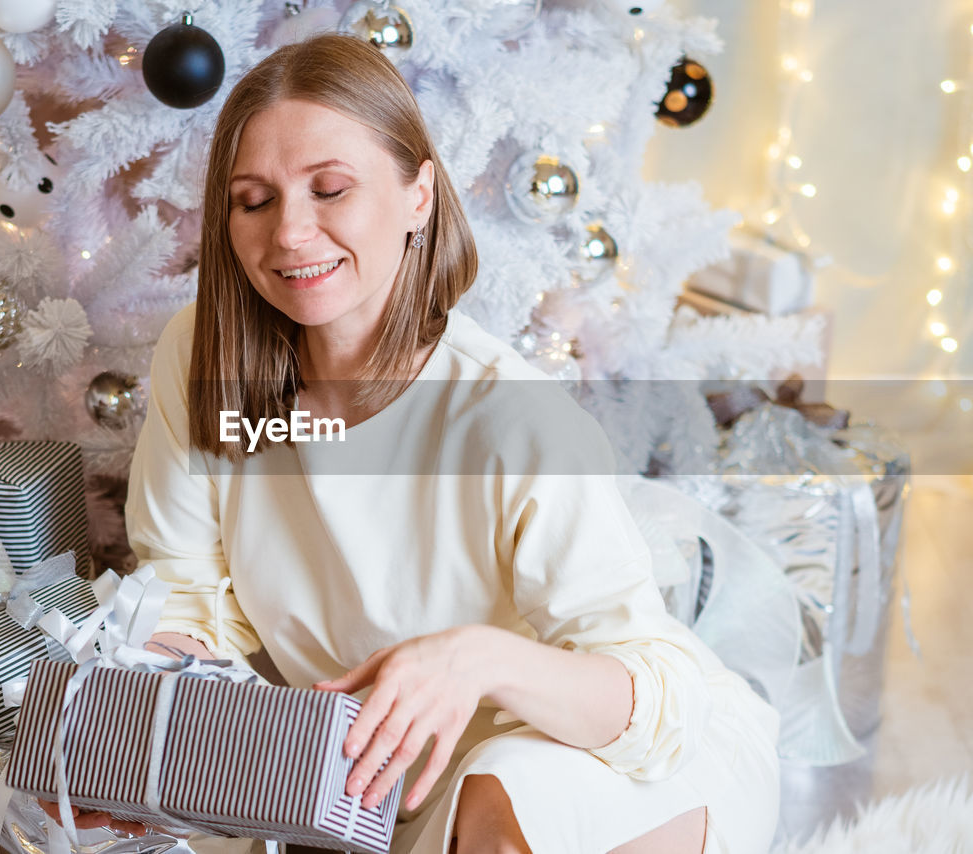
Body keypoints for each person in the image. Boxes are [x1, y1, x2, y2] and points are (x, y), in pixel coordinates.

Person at [121, 33, 779, 854]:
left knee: (506, 784)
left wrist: (477, 661)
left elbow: (655, 696)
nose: (290, 233)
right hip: (375, 788)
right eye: (254, 201)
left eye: (330, 189)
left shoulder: (509, 416)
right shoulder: (203, 356)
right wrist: (142, 721)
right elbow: (183, 590)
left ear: (419, 197)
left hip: (610, 760)